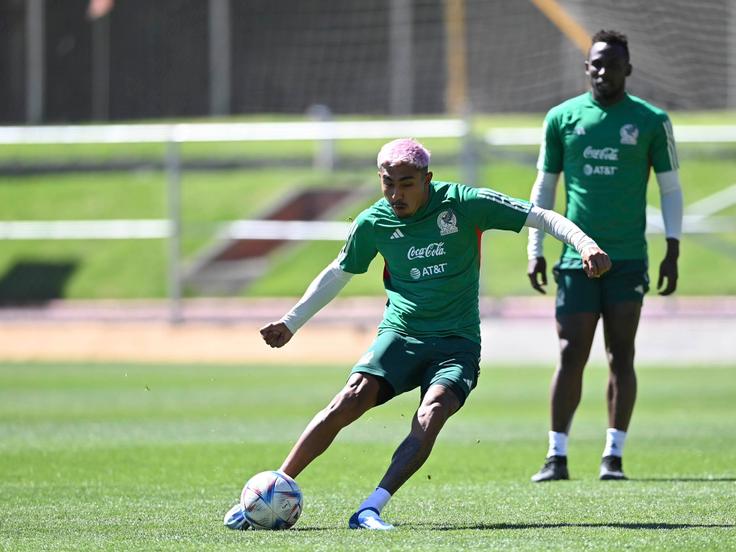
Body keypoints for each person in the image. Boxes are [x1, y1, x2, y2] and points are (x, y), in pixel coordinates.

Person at [225, 138, 611, 531]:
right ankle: (272, 489)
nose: (396, 193)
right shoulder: (373, 222)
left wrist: (585, 244)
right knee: (349, 399)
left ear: (427, 179)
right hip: (402, 335)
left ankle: (370, 509)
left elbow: (541, 216)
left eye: (406, 183)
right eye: (388, 183)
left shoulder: (463, 203)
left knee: (433, 412)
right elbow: (338, 272)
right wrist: (291, 323)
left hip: (456, 344)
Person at [527, 30, 683, 482]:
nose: (602, 71)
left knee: (622, 354)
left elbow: (670, 189)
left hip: (628, 259)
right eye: (595, 63)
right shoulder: (561, 118)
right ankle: (556, 456)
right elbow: (544, 187)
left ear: (627, 69)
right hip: (575, 259)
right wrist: (535, 246)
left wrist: (672, 250)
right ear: (587, 67)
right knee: (570, 352)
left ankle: (613, 456)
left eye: (611, 64)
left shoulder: (651, 121)